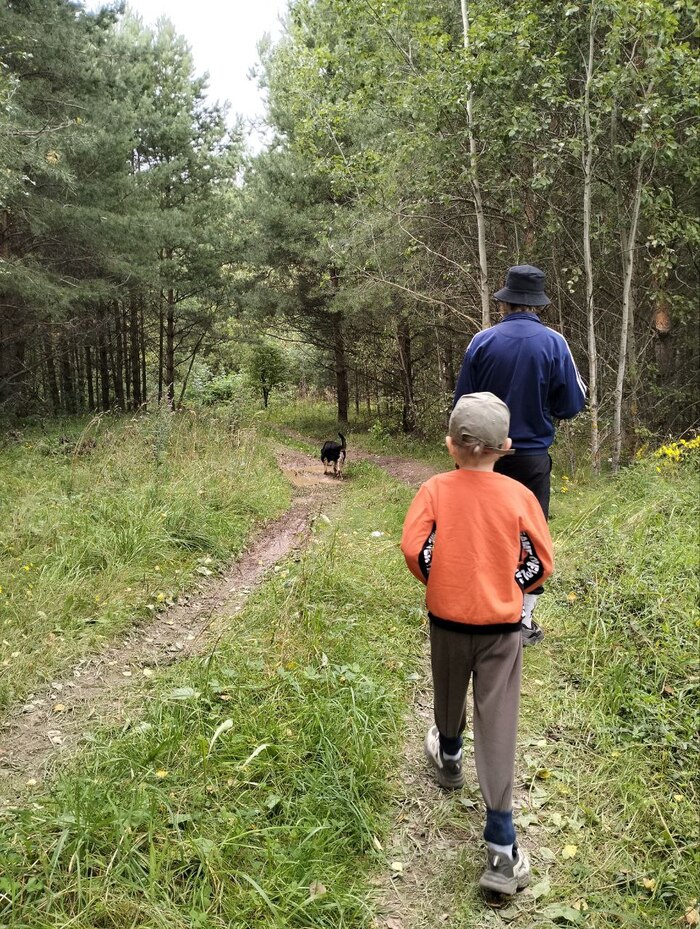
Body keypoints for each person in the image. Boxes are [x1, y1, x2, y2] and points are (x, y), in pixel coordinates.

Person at [401, 392, 553, 896]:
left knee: (446, 690)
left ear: (450, 445)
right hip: (501, 629)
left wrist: (439, 579)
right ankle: (502, 850)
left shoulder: (435, 489)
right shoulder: (519, 497)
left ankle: (447, 758)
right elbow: (540, 562)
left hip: (446, 619)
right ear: (506, 446)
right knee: (498, 718)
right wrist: (512, 587)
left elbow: (413, 547)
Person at [453, 265, 586, 646]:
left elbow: (462, 404)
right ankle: (522, 619)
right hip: (531, 457)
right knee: (530, 535)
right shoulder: (555, 344)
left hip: (481, 457)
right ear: (538, 304)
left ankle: (476, 606)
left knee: (477, 530)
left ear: (505, 302)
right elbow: (572, 403)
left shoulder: (481, 341)